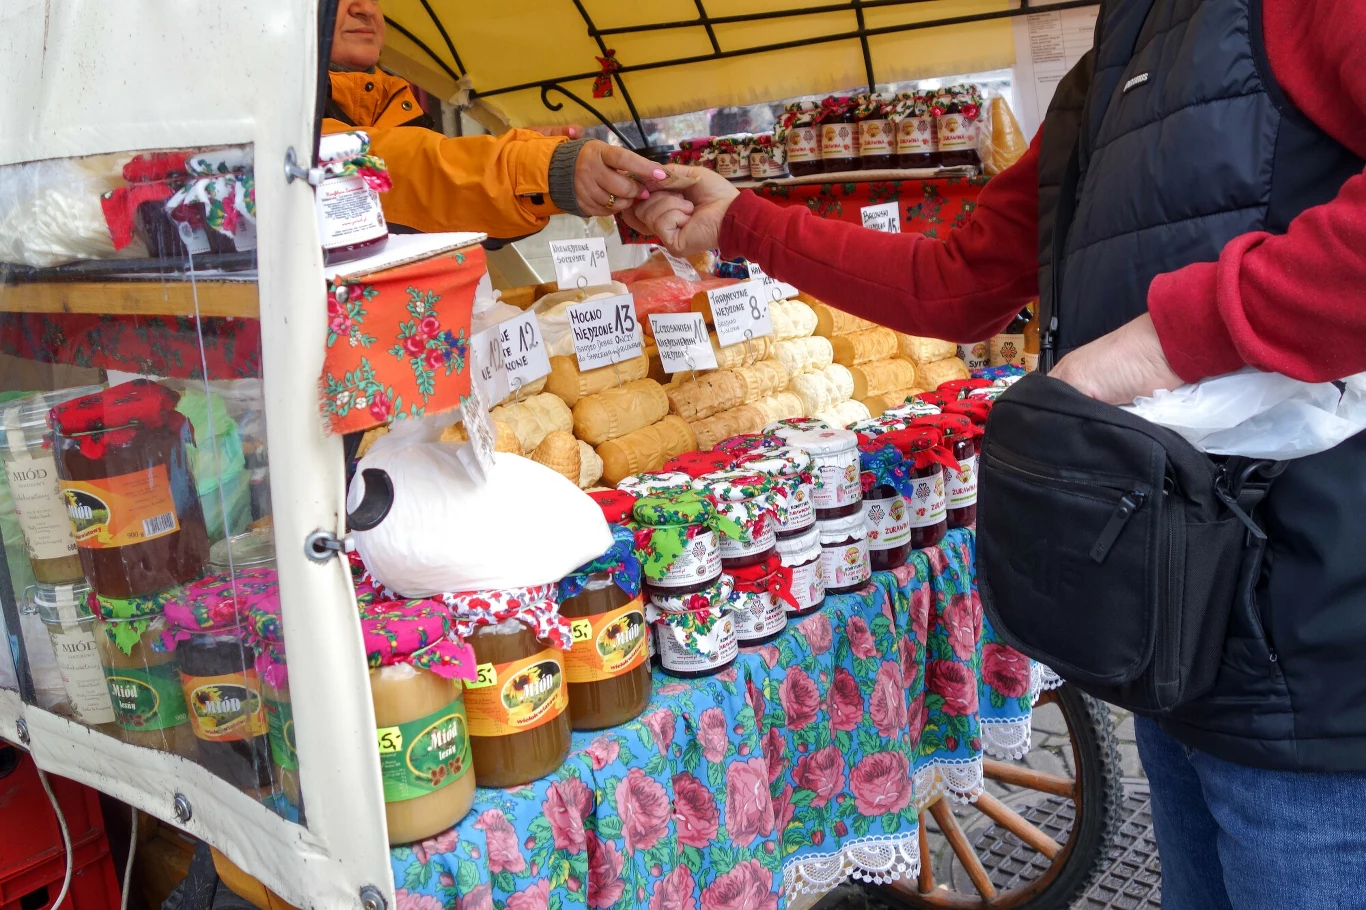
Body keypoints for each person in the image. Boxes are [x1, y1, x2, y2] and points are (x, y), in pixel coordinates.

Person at [625, 2, 1366, 908]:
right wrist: (742, 222)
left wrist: (1154, 346)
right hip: (1183, 634)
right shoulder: (1112, 60)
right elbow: (957, 280)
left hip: (1326, 643)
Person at [324, 0, 664, 239]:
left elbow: (443, 212)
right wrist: (535, 167)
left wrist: (534, 164)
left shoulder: (395, 103)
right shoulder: (280, 114)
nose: (366, 8)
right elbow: (394, 168)